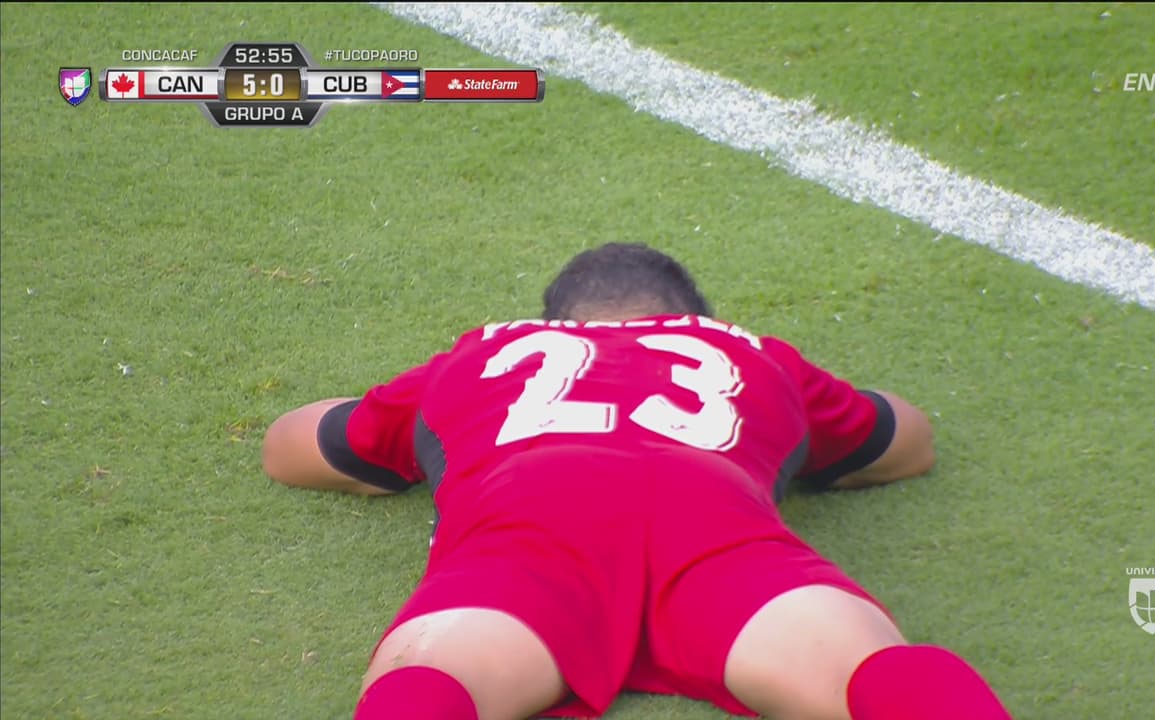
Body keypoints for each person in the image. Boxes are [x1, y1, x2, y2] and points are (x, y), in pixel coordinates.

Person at [262, 243, 1012, 720]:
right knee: (874, 672)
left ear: (557, 322)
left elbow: (290, 449)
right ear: (696, 320)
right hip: (717, 529)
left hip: (529, 531)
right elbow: (907, 442)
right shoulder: (757, 356)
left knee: (430, 681)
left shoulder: (477, 357)